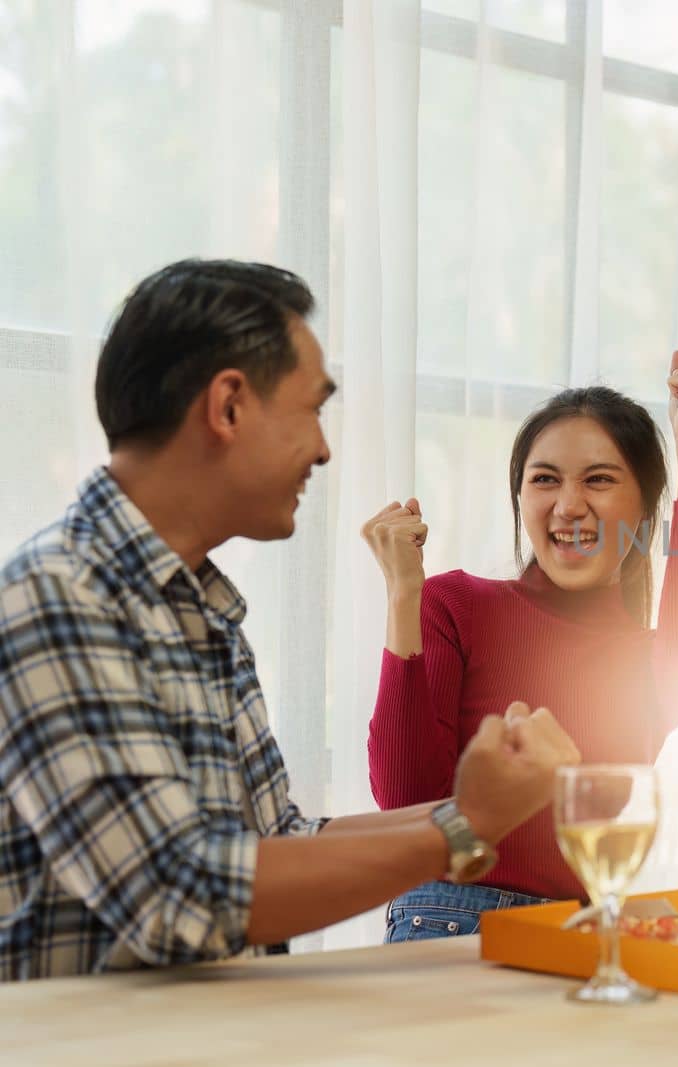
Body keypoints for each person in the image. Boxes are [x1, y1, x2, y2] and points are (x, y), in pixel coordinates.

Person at [0, 260, 580, 981]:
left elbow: (278, 837)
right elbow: (181, 895)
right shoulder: (59, 595)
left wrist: (475, 809)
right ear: (229, 407)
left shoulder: (201, 608)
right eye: (312, 408)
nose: (325, 447)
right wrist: (460, 825)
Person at [364, 358, 678, 940]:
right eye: (546, 479)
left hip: (578, 934)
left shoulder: (648, 664)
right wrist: (402, 596)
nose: (568, 505)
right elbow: (408, 802)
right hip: (448, 925)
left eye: (600, 480)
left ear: (643, 511)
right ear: (519, 498)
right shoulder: (453, 604)